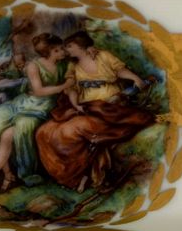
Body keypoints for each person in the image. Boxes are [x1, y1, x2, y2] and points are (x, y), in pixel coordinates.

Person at [36, 31, 156, 191]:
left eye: (69, 46)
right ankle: (68, 175)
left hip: (109, 107)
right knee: (44, 131)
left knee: (70, 131)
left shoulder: (102, 56)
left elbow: (119, 70)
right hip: (85, 107)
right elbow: (71, 88)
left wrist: (135, 78)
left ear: (81, 46)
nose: (66, 50)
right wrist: (75, 105)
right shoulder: (72, 65)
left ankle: (80, 176)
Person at [0, 35, 74, 196]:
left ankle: (22, 175)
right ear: (49, 52)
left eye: (62, 48)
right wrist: (64, 85)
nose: (63, 51)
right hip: (23, 102)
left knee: (18, 129)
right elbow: (38, 91)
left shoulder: (66, 65)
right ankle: (3, 174)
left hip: (42, 107)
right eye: (58, 50)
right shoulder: (34, 65)